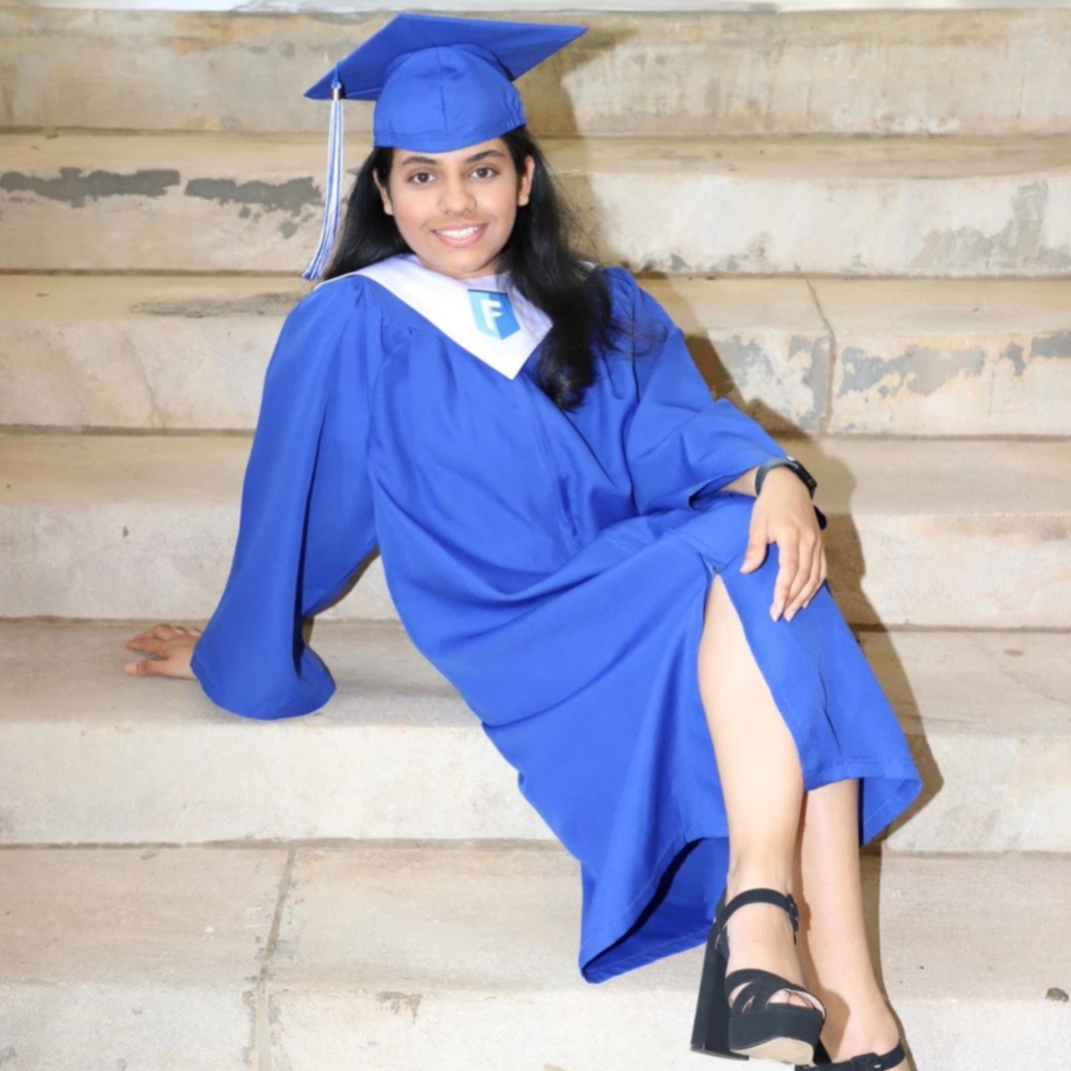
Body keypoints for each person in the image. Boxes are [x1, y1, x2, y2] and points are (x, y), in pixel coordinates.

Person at [122, 13, 922, 1069]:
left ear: (527, 179)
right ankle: (803, 955)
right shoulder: (353, 323)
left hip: (632, 572)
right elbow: (297, 506)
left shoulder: (600, 304)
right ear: (382, 191)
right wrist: (241, 646)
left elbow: (679, 433)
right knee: (751, 566)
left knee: (763, 547)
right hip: (512, 613)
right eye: (421, 176)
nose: (454, 204)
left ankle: (825, 983)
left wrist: (775, 476)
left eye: (482, 171)